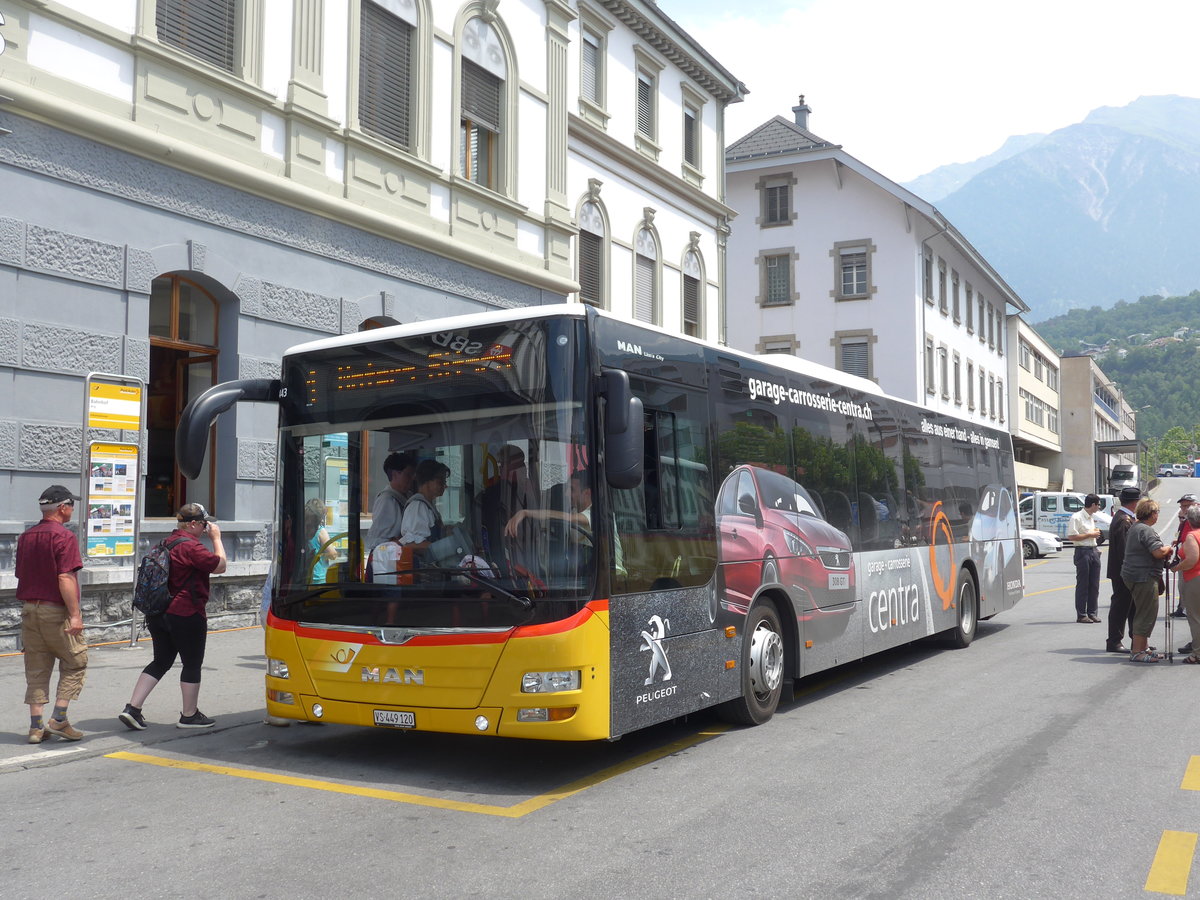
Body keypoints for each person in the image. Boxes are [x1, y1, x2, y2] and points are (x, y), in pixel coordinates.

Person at [118, 503, 227, 730]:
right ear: (194, 524)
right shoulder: (191, 547)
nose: (208, 528)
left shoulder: (166, 543)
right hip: (186, 613)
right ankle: (189, 715)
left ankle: (133, 708)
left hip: (159, 613)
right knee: (192, 663)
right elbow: (220, 566)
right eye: (205, 524)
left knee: (161, 660)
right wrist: (216, 538)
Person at [16, 485, 87, 743]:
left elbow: (21, 574)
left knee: (36, 667)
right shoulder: (64, 536)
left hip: (29, 609)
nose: (72, 510)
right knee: (75, 661)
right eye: (71, 505)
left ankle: (36, 727)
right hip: (54, 610)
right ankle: (59, 718)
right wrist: (75, 615)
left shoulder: (27, 536)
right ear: (62, 507)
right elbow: (65, 577)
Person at [1121, 498, 1173, 663]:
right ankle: (1137, 651)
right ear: (1151, 514)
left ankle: (1143, 648)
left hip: (1133, 575)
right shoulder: (1146, 530)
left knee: (1143, 611)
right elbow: (1157, 552)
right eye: (1157, 512)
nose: (1158, 515)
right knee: (1146, 614)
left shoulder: (1136, 527)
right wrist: (1168, 548)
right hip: (1144, 576)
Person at [475, 445, 539, 565]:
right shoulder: (489, 496)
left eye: (521, 465)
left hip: (527, 556)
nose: (522, 470)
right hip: (501, 561)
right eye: (503, 465)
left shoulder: (528, 493)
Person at [1104, 486, 1140, 653]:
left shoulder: (1125, 517)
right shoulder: (1124, 520)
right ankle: (1114, 641)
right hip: (1123, 571)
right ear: (1135, 502)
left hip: (1124, 570)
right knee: (1121, 607)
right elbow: (1126, 550)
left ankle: (1137, 641)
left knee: (1132, 606)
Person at [365, 451, 417, 553]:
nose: (412, 479)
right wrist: (398, 541)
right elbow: (376, 539)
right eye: (408, 475)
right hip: (388, 560)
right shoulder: (387, 500)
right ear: (394, 474)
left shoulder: (409, 497)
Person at [1066, 493, 1103, 623]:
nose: (1099, 507)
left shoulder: (1091, 518)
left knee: (1094, 584)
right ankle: (1081, 614)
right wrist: (1090, 534)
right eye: (1098, 504)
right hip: (1082, 551)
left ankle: (1092, 612)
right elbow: (1072, 536)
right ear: (1093, 505)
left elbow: (1091, 537)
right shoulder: (1077, 517)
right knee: (1083, 584)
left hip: (1093, 550)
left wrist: (1096, 548)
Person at [1172, 505, 1200, 663]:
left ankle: (1197, 653)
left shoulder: (1192, 535)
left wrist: (1177, 567)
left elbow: (1191, 559)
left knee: (1195, 617)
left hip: (1195, 577)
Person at [1170, 493, 1196, 619]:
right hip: (1184, 557)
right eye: (1182, 506)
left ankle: (1187, 610)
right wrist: (1179, 541)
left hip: (1192, 562)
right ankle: (1182, 608)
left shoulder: (1195, 519)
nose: (1184, 509)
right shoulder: (1187, 519)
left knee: (1188, 588)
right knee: (1182, 586)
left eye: (1187, 506)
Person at [304, 498, 338, 583]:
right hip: (319, 578)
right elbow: (333, 554)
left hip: (306, 577)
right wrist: (323, 555)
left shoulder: (303, 528)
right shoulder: (321, 531)